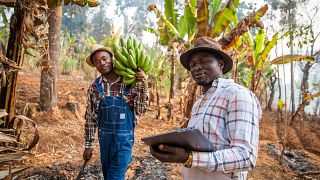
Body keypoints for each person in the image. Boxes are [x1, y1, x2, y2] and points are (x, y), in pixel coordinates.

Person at [149, 37, 262, 180]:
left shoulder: (237, 94)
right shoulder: (200, 102)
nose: (196, 67)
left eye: (204, 61)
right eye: (193, 64)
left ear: (220, 64)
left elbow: (246, 156)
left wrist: (190, 158)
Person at [83, 44, 148, 180]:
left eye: (104, 59)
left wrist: (143, 84)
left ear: (112, 59)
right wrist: (88, 145)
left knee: (115, 176)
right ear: (95, 66)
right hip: (104, 140)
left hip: (124, 140)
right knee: (108, 175)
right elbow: (90, 118)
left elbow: (141, 110)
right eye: (97, 61)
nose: (102, 63)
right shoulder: (95, 87)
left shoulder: (130, 82)